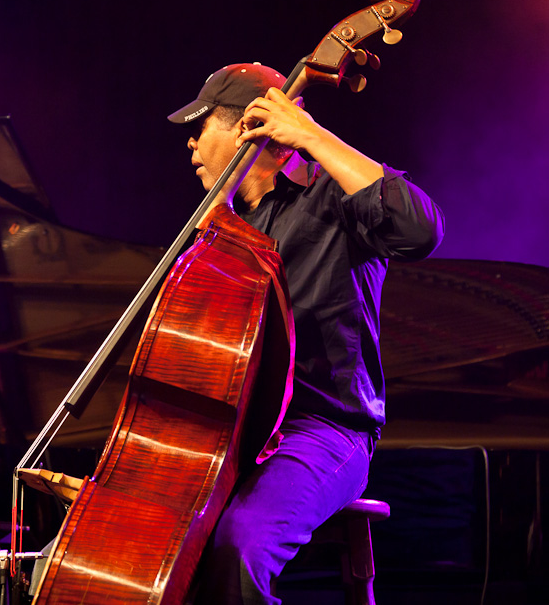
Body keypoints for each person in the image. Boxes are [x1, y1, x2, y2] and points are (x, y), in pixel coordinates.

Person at [166, 63, 444, 604]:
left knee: (240, 546)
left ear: (250, 125)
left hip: (323, 430)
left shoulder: (333, 197)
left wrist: (310, 135)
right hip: (234, 437)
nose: (193, 145)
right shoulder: (220, 233)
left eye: (201, 128)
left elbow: (420, 229)